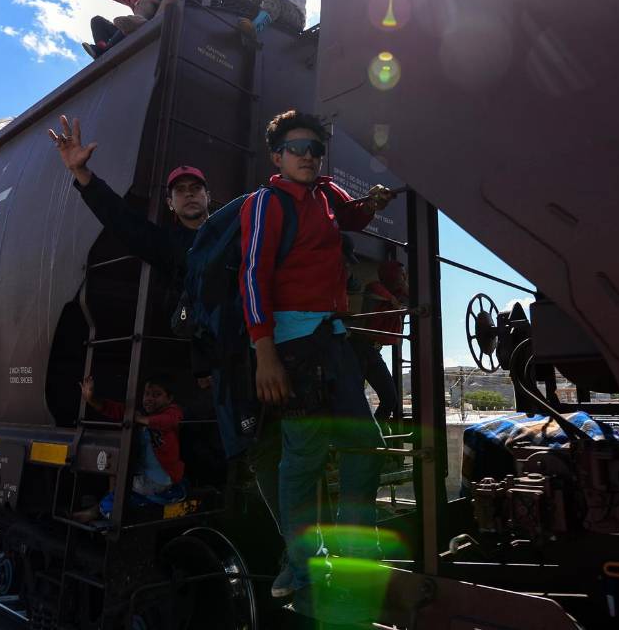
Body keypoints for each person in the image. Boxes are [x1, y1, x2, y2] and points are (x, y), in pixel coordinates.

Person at [239, 110, 394, 599]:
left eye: (315, 149)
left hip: (334, 337)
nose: (308, 156)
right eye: (297, 148)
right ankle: (305, 567)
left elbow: (349, 217)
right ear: (277, 156)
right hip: (295, 345)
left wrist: (370, 204)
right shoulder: (266, 203)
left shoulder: (327, 193)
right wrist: (264, 352)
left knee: (364, 444)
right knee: (303, 457)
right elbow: (251, 276)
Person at [47, 114, 212, 387]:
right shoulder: (166, 245)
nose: (190, 194)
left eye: (196, 188)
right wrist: (81, 172)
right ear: (170, 203)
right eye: (180, 191)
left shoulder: (235, 231)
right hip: (217, 363)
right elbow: (121, 219)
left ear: (208, 195)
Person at [73, 374, 186, 522]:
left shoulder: (172, 412)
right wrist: (91, 399)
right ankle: (98, 509)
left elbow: (169, 421)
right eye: (147, 394)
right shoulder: (140, 413)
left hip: (159, 480)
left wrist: (139, 419)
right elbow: (115, 409)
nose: (150, 398)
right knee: (114, 469)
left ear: (169, 399)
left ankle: (101, 511)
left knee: (120, 481)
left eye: (157, 395)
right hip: (143, 475)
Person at [348, 260, 408, 423]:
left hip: (373, 351)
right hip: (358, 347)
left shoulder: (400, 294)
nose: (404, 278)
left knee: (390, 398)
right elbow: (374, 289)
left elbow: (412, 298)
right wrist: (393, 301)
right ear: (391, 276)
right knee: (356, 400)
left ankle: (375, 435)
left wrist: (397, 299)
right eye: (401, 274)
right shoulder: (376, 289)